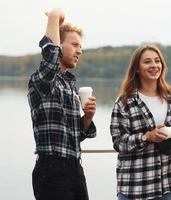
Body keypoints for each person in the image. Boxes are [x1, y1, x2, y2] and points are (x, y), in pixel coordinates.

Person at [28, 9, 97, 200]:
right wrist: (54, 17)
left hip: (75, 168)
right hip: (51, 170)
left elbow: (75, 136)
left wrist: (88, 118)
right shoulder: (42, 80)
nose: (79, 51)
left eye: (80, 46)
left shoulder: (69, 84)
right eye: (74, 45)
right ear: (60, 46)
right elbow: (50, 57)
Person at [110, 44, 171, 200]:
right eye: (147, 62)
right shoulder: (124, 102)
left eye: (157, 61)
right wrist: (147, 137)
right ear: (137, 68)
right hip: (135, 186)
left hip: (167, 182)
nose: (154, 65)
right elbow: (118, 143)